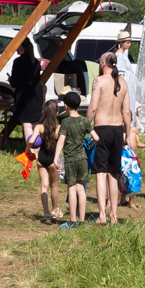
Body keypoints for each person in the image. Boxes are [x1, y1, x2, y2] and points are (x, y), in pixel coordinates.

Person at [87, 53, 132, 226]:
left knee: (100, 172)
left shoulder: (99, 81)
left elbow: (93, 107)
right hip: (117, 131)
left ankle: (102, 214)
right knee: (113, 174)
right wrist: (127, 135)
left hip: (101, 129)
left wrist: (85, 124)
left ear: (103, 63)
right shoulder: (123, 83)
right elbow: (127, 113)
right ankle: (114, 215)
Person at [54, 89, 91, 225]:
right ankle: (82, 220)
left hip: (70, 159)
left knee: (72, 188)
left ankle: (73, 221)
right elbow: (96, 137)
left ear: (66, 106)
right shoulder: (84, 120)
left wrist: (56, 157)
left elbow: (61, 141)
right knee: (81, 188)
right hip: (83, 159)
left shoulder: (66, 122)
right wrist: (90, 145)